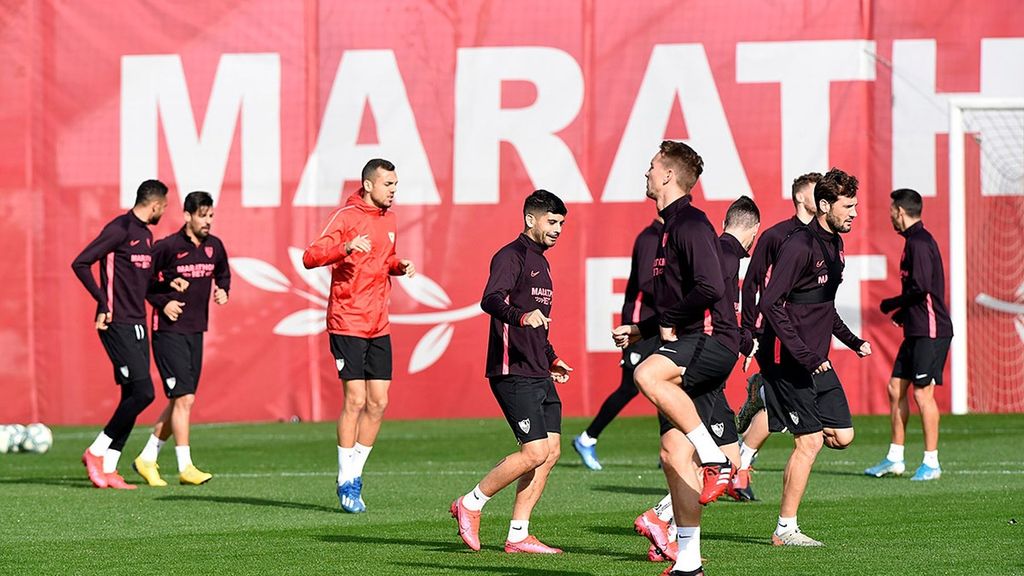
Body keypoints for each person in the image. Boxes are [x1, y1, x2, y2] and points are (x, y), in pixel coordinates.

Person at [612, 141, 737, 576]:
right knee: (672, 454)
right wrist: (643, 328)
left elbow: (711, 288)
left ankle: (715, 458)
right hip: (688, 342)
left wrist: (667, 321)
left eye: (651, 166)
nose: (646, 172)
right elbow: (676, 301)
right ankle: (689, 562)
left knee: (647, 374)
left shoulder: (691, 223)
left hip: (712, 339)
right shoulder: (668, 228)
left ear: (668, 175)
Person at [632, 196, 761, 566]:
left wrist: (641, 329)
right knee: (696, 456)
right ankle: (664, 522)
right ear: (753, 231)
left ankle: (666, 528)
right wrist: (740, 341)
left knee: (726, 460)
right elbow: (705, 304)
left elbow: (710, 307)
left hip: (706, 360)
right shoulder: (725, 253)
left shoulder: (719, 251)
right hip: (701, 359)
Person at [451, 190, 573, 554]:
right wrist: (521, 317)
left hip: (538, 370)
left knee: (550, 451)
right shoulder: (511, 255)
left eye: (561, 223)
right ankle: (470, 503)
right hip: (512, 369)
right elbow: (490, 299)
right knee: (534, 451)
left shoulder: (543, 263)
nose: (557, 229)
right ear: (530, 219)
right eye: (552, 221)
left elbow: (539, 324)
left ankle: (518, 534)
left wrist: (551, 357)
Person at [756, 167, 872, 546]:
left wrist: (853, 341)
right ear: (824, 206)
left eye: (855, 205)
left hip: (815, 359)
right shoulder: (799, 245)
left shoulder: (835, 245)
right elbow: (770, 303)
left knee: (842, 436)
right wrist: (804, 354)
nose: (854, 213)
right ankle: (785, 530)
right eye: (848, 206)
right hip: (790, 360)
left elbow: (824, 307)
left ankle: (768, 400)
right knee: (810, 442)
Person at [302, 158, 416, 513]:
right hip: (347, 320)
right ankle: (345, 478)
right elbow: (310, 256)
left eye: (395, 184)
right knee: (355, 399)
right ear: (368, 185)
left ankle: (355, 474)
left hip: (378, 323)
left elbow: (387, 258)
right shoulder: (346, 217)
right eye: (387, 184)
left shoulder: (390, 220)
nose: (393, 190)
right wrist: (346, 247)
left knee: (378, 402)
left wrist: (399, 265)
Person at [72, 179, 171, 490]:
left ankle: (110, 468)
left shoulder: (146, 235)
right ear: (155, 205)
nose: (164, 212)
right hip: (117, 323)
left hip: (138, 322)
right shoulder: (120, 229)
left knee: (132, 395)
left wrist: (169, 288)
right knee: (144, 393)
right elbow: (81, 263)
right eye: (164, 207)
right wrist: (102, 302)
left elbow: (144, 284)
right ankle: (96, 451)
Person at [731, 172, 821, 501]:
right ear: (800, 197)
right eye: (816, 192)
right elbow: (751, 284)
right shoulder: (776, 236)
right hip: (774, 331)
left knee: (780, 407)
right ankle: (737, 469)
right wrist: (749, 332)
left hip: (805, 334)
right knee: (785, 402)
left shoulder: (824, 238)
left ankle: (738, 465)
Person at [132, 191, 230, 487]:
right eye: (202, 215)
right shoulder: (168, 247)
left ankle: (147, 457)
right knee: (184, 398)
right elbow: (143, 283)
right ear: (187, 216)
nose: (207, 221)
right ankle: (185, 466)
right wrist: (164, 302)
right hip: (167, 332)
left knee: (181, 400)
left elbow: (223, 274)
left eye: (211, 215)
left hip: (195, 331)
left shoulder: (214, 247)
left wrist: (223, 290)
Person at [865, 188, 952, 481]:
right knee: (895, 388)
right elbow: (920, 288)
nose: (890, 215)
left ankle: (932, 462)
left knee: (922, 393)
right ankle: (895, 458)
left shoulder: (920, 242)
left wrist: (893, 304)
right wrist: (904, 314)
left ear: (900, 211)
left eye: (892, 210)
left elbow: (922, 287)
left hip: (931, 330)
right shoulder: (912, 241)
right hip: (917, 329)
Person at [572, 216, 663, 471]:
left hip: (658, 322)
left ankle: (668, 450)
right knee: (629, 387)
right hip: (639, 322)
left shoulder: (669, 236)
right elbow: (646, 281)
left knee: (665, 383)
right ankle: (587, 438)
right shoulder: (650, 237)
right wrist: (678, 291)